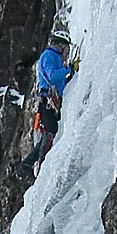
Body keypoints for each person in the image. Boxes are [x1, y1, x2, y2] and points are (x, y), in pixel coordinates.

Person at [21, 29, 78, 177]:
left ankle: (28, 164)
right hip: (46, 101)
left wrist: (70, 75)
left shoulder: (55, 57)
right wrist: (69, 69)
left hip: (50, 101)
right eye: (67, 47)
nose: (68, 51)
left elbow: (59, 83)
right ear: (61, 45)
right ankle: (38, 163)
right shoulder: (49, 56)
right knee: (51, 131)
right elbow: (52, 76)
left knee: (50, 132)